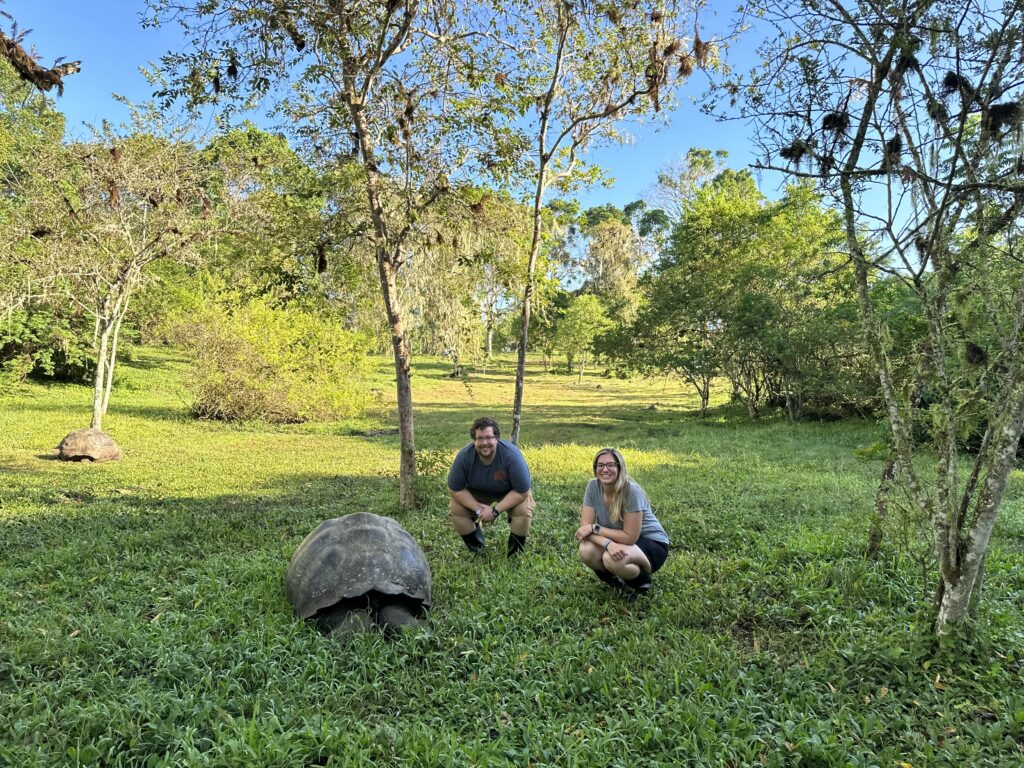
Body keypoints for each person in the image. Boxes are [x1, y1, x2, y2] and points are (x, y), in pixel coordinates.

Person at [575, 448, 669, 596]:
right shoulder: (592, 487)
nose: (605, 469)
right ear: (595, 469)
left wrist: (595, 528)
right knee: (586, 550)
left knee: (611, 558)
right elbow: (584, 530)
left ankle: (642, 583)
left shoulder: (631, 491)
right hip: (618, 541)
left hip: (651, 542)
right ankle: (616, 584)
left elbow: (630, 536)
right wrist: (607, 544)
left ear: (619, 468)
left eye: (611, 465)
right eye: (600, 465)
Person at [448, 417, 535, 556]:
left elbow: (522, 491)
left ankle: (515, 553)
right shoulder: (464, 456)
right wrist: (478, 509)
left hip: (509, 492)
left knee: (523, 510)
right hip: (477, 492)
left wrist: (495, 511)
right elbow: (455, 489)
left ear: (497, 438)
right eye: (479, 438)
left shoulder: (511, 456)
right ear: (474, 440)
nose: (484, 443)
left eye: (489, 437)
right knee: (456, 509)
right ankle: (477, 550)